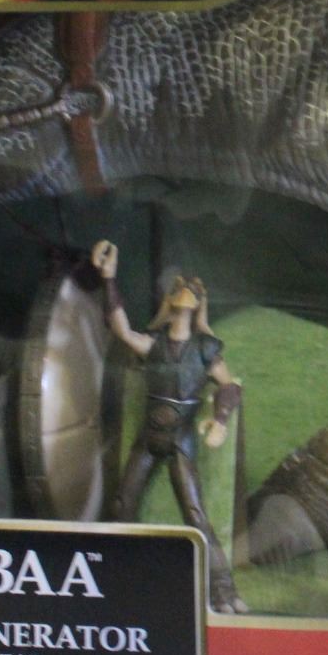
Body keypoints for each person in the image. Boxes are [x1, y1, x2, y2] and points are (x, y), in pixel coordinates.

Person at [91, 240, 245, 613]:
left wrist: (220, 419)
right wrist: (109, 279)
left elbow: (229, 387)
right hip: (148, 437)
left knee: (194, 514)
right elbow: (121, 329)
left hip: (180, 439)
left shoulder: (206, 350)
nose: (185, 293)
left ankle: (223, 590)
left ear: (199, 301)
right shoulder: (153, 344)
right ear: (169, 299)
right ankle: (114, 580)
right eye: (179, 288)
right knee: (122, 503)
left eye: (192, 289)